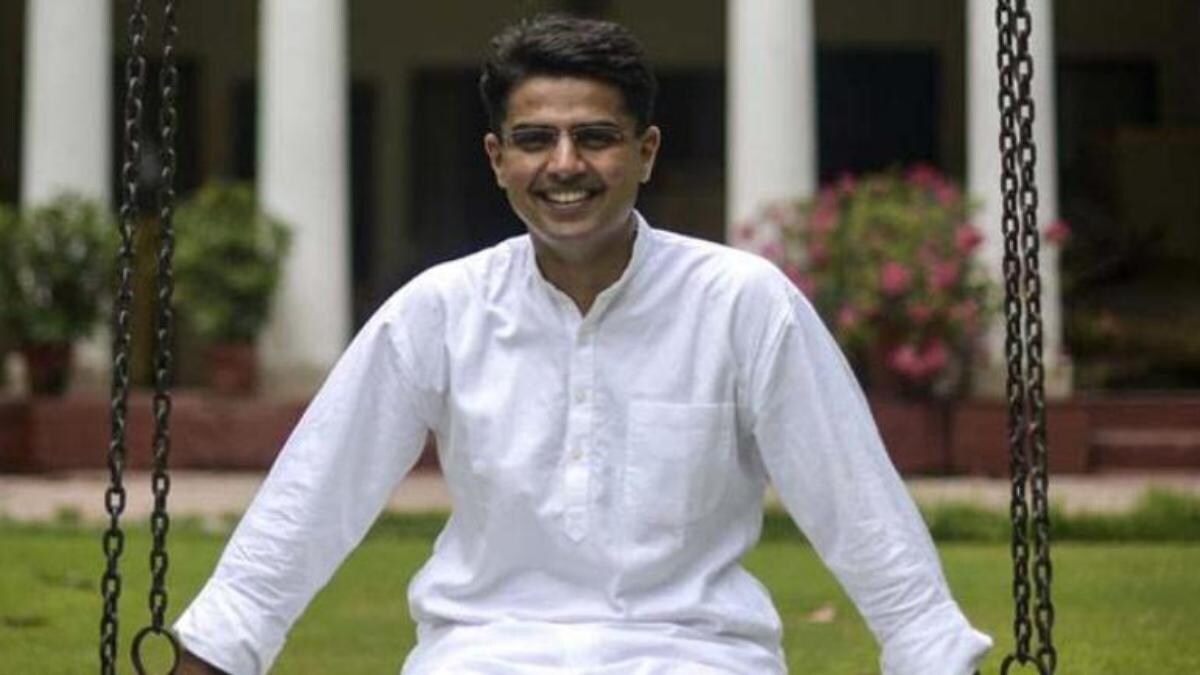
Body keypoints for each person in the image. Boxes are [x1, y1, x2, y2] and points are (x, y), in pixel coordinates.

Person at [177, 14, 991, 675]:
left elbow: (856, 504)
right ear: (498, 159)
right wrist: (219, 647)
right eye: (535, 139)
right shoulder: (441, 310)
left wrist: (929, 649)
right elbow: (316, 491)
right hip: (484, 653)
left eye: (595, 137)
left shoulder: (743, 304)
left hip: (695, 653)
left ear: (646, 152)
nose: (565, 164)